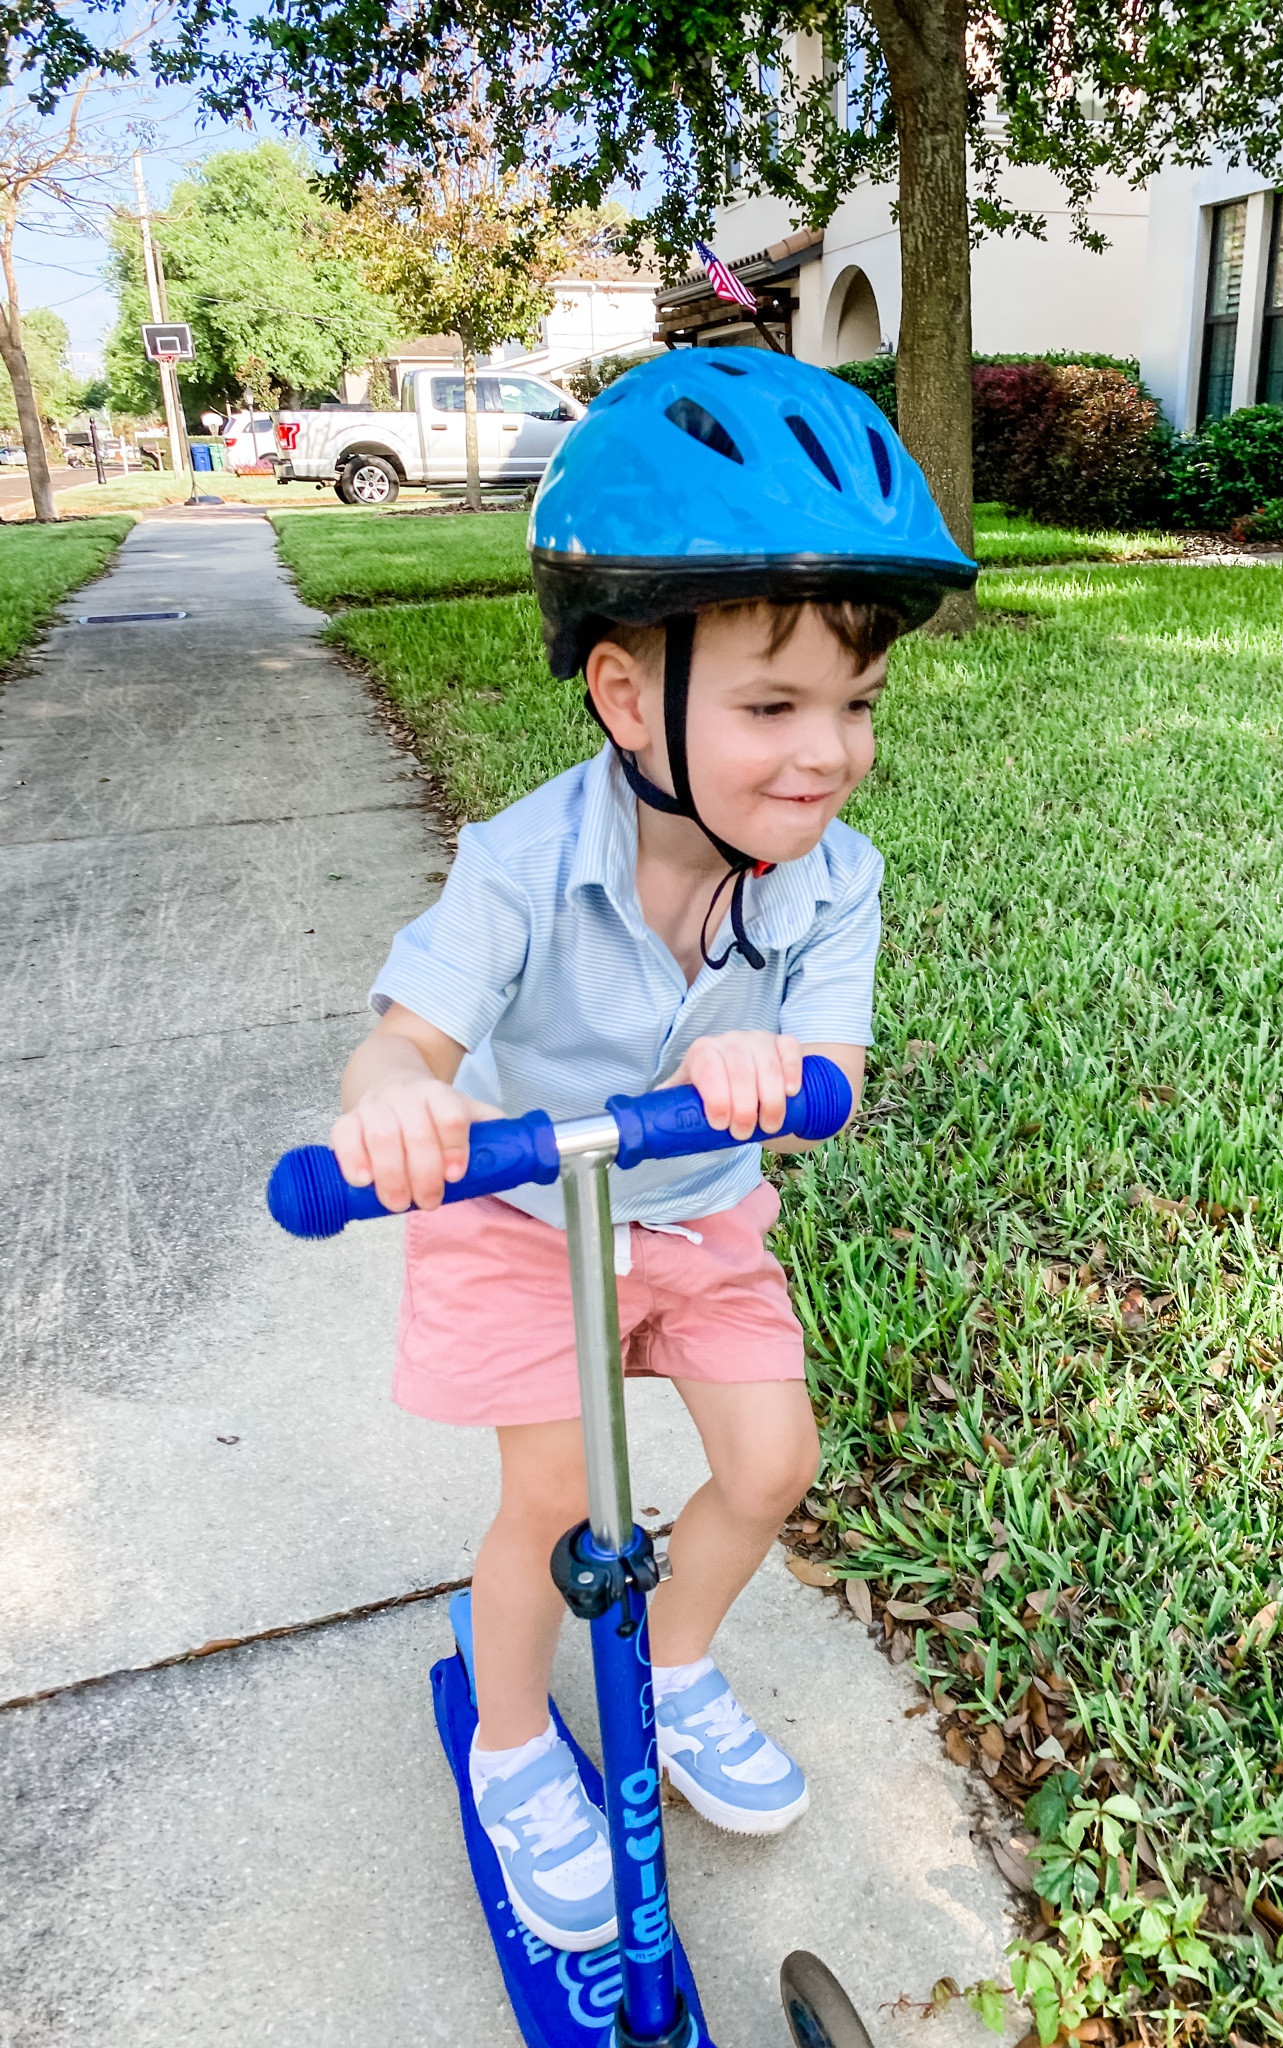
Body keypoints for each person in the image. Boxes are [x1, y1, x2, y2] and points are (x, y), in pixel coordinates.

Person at [330, 350, 975, 1952]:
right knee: (560, 1505)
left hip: (695, 1214)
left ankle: (674, 1665)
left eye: (856, 705)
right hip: (519, 1218)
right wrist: (396, 1101)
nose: (827, 751)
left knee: (770, 1465)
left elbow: (831, 1073)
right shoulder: (521, 865)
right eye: (773, 705)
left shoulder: (838, 878)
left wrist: (782, 1072)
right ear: (628, 697)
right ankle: (510, 1749)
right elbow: (407, 1040)